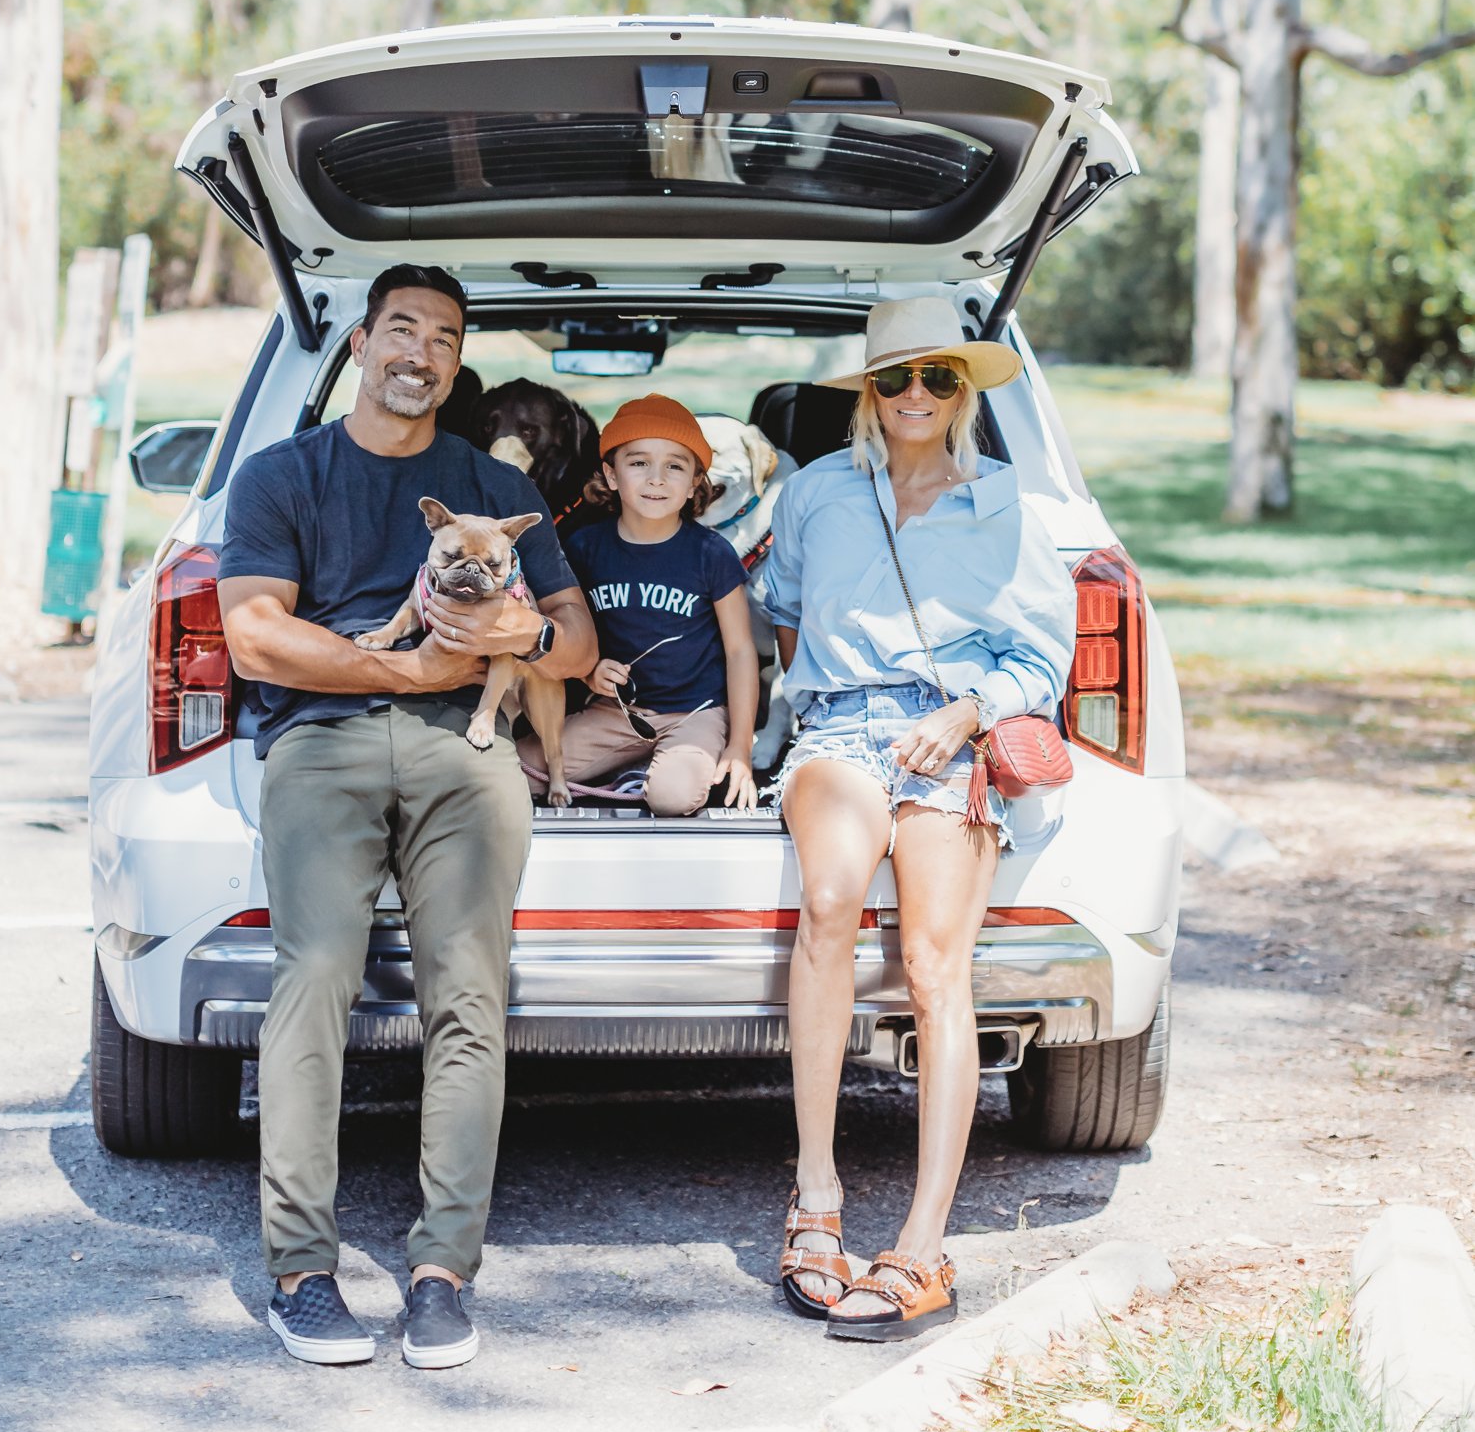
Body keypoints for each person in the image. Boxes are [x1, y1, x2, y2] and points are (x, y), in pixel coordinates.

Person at [218, 264, 598, 1372]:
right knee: (315, 975)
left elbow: (571, 641)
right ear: (359, 342)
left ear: (455, 360)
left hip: (460, 747)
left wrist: (515, 641)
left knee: (469, 994)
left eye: (442, 336)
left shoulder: (485, 486)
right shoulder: (281, 474)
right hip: (322, 739)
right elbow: (253, 635)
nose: (418, 351)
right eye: (400, 328)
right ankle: (301, 1270)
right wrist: (399, 659)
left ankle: (441, 1273)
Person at [765, 297, 1076, 1343]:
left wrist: (967, 711)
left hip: (955, 735)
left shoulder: (1008, 503)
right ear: (867, 387)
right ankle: (813, 1198)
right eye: (894, 377)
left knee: (938, 967)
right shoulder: (814, 490)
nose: (912, 396)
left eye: (937, 378)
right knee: (828, 897)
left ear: (963, 392)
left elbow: (1043, 655)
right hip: (840, 734)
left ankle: (922, 1247)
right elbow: (782, 610)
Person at [515, 396, 760, 816]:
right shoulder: (585, 548)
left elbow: (740, 651)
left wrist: (740, 747)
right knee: (516, 773)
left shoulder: (711, 553)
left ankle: (654, 771)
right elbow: (565, 631)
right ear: (611, 475)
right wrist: (589, 673)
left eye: (675, 466)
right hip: (615, 712)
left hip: (694, 714)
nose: (657, 479)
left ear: (695, 483)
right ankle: (634, 765)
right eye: (639, 463)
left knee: (672, 796)